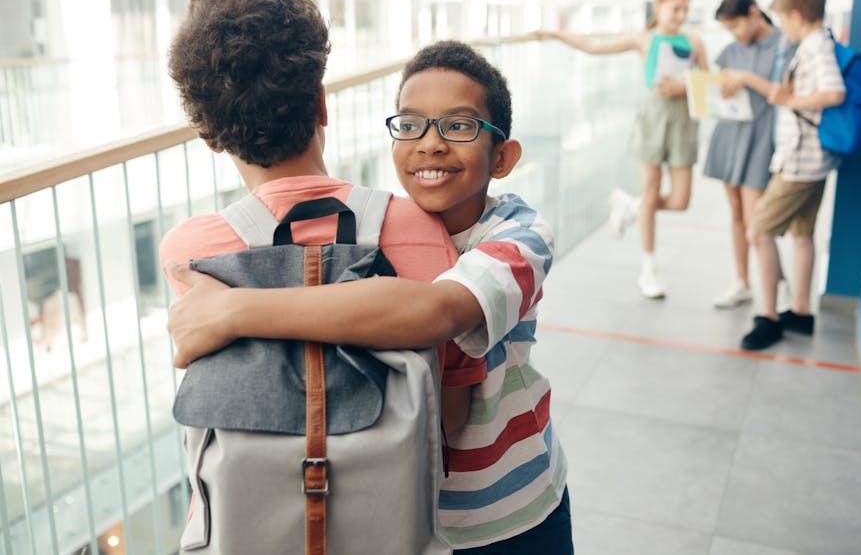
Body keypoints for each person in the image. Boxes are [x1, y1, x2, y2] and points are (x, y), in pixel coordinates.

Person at [166, 40, 573, 553]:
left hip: (511, 508)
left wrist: (232, 310)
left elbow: (438, 311)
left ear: (503, 157)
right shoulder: (391, 227)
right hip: (409, 512)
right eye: (411, 125)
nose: (431, 143)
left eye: (459, 126)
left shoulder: (521, 236)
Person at [159, 0, 482, 551]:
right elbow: (451, 412)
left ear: (209, 137)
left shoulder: (191, 252)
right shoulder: (420, 229)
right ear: (321, 105)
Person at [540, 0, 709, 299]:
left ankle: (631, 206)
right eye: (676, 8)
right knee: (652, 191)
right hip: (653, 117)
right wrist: (557, 34)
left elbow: (707, 85)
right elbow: (594, 48)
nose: (681, 15)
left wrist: (685, 86)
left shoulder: (696, 42)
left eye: (685, 9)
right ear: (659, 6)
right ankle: (649, 269)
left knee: (680, 200)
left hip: (684, 121)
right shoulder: (643, 38)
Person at [741, 0, 846, 351]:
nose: (781, 27)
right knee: (802, 234)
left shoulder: (815, 46)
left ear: (797, 16)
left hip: (800, 163)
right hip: (813, 160)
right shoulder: (820, 42)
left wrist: (790, 101)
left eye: (784, 20)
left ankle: (768, 316)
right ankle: (801, 311)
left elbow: (834, 92)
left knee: (758, 232)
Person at [703, 0, 795, 309]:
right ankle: (743, 282)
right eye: (728, 28)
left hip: (761, 137)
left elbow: (785, 93)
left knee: (757, 220)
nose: (734, 34)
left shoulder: (785, 44)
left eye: (735, 25)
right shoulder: (731, 50)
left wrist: (746, 78)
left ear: (754, 13)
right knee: (736, 211)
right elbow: (718, 88)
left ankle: (775, 283)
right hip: (731, 134)